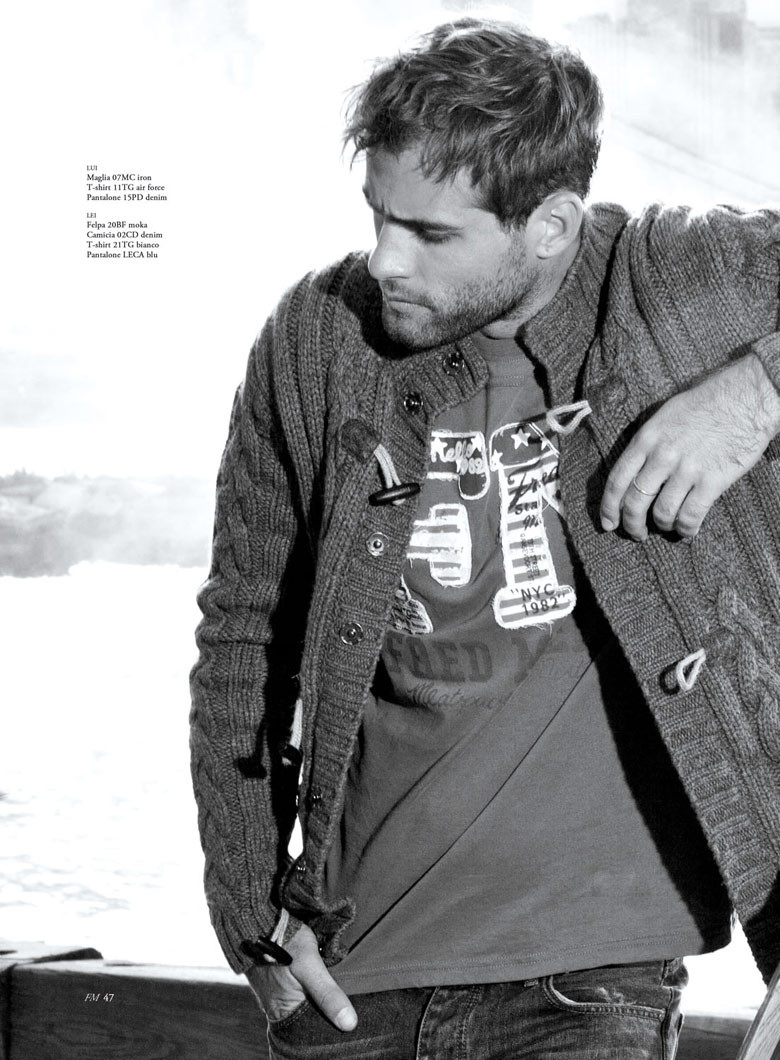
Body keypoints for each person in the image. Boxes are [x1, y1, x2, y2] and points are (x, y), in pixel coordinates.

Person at [189, 17, 780, 1059]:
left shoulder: (682, 279)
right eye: (378, 215)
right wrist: (251, 918)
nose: (385, 259)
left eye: (431, 234)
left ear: (550, 224)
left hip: (590, 982)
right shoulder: (317, 337)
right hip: (351, 984)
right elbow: (244, 635)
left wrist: (755, 392)